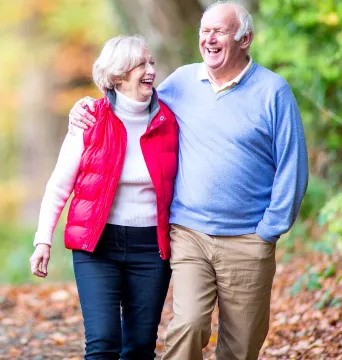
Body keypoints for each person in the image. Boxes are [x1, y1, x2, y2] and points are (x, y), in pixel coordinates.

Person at [68, 2, 309, 360]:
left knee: (241, 345)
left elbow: (293, 166)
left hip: (248, 239)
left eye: (219, 31)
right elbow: (134, 106)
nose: (209, 39)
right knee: (189, 326)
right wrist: (89, 106)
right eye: (204, 31)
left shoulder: (273, 92)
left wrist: (269, 231)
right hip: (189, 232)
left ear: (245, 39)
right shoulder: (181, 82)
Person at [29, 35, 178, 360]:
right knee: (103, 343)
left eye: (151, 62)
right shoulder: (89, 119)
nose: (150, 69)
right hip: (97, 247)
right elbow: (58, 187)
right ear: (117, 75)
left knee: (139, 347)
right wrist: (43, 240)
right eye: (141, 63)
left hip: (151, 249)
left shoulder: (170, 120)